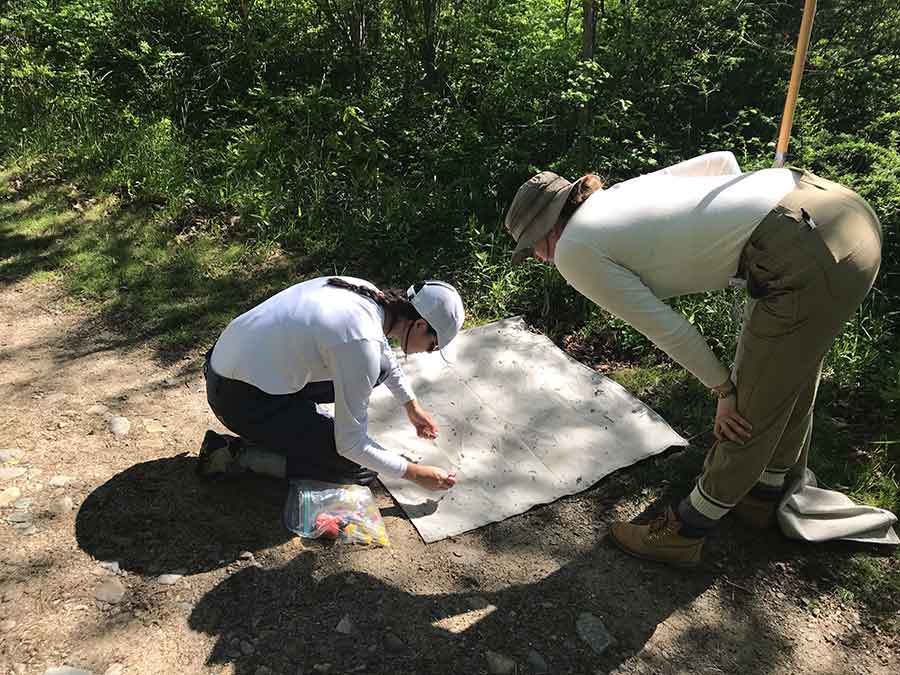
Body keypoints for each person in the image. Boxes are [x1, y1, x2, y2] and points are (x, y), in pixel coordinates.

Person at [504, 151, 883, 566]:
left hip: (801, 246)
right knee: (790, 373)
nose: (539, 259)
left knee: (749, 402)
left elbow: (667, 328)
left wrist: (723, 389)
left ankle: (687, 529)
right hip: (836, 208)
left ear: (547, 230)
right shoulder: (616, 196)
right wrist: (735, 225)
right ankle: (763, 493)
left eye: (533, 249)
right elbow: (722, 162)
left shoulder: (572, 251)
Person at [198, 276, 464, 492]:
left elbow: (380, 353)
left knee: (378, 370)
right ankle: (235, 455)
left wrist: (411, 405)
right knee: (356, 467)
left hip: (225, 367)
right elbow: (351, 444)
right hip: (238, 399)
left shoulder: (367, 293)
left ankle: (293, 425)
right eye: (432, 347)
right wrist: (416, 474)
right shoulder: (359, 345)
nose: (426, 352)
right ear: (419, 325)